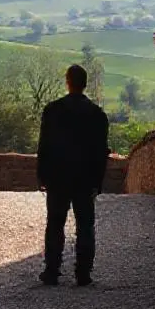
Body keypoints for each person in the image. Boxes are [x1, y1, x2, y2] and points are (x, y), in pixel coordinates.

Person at [36, 64, 110, 287]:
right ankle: (83, 273)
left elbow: (44, 146)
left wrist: (42, 175)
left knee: (55, 224)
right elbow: (101, 152)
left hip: (58, 176)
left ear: (67, 82)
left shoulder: (52, 110)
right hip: (85, 178)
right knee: (85, 225)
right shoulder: (97, 115)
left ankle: (52, 271)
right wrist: (98, 180)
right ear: (85, 84)